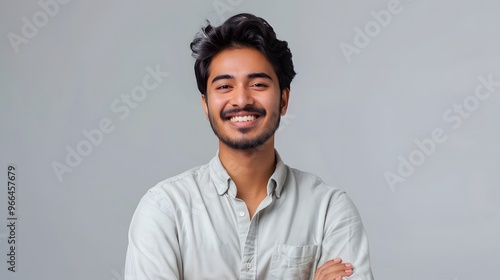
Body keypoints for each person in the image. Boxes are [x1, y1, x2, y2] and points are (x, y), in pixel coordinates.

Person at [125, 13, 374, 280]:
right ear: (206, 105)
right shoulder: (165, 210)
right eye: (224, 86)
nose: (241, 99)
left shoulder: (329, 210)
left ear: (283, 99)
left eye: (257, 84)